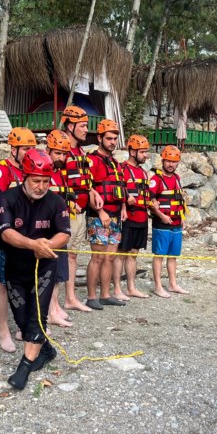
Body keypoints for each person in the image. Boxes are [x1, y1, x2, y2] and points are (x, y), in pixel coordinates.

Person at [0, 149, 71, 390]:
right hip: (16, 265)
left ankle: (24, 368)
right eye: (35, 181)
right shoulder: (7, 199)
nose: (40, 186)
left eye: (45, 181)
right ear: (24, 177)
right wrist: (31, 244)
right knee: (22, 318)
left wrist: (47, 245)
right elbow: (6, 233)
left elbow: (64, 233)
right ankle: (46, 349)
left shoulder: (56, 201)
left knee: (37, 317)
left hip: (45, 265)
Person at [0, 127, 36, 351]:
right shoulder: (1, 171)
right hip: (3, 236)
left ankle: (23, 325)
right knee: (2, 282)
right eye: (25, 149)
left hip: (27, 237)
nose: (29, 152)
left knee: (25, 281)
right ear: (13, 149)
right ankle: (3, 331)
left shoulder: (29, 171)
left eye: (31, 148)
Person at [59, 105, 102, 313]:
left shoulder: (80, 151)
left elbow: (85, 179)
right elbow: (56, 180)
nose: (86, 130)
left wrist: (92, 192)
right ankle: (58, 302)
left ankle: (70, 298)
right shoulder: (61, 148)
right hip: (68, 211)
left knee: (73, 255)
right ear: (69, 125)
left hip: (81, 211)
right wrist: (69, 203)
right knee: (61, 254)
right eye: (83, 126)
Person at [85, 119, 128, 309]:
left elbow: (121, 188)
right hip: (98, 216)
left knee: (111, 257)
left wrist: (124, 209)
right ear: (100, 138)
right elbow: (88, 189)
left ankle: (105, 294)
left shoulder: (115, 163)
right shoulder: (92, 160)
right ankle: (92, 296)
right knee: (98, 257)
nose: (112, 142)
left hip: (116, 215)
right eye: (108, 138)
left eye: (115, 138)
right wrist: (100, 211)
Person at [112, 134, 152, 300]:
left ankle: (131, 287)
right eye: (142, 152)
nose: (145, 155)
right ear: (132, 151)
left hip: (142, 217)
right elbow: (117, 190)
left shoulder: (143, 172)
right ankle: (116, 289)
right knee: (121, 253)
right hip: (128, 218)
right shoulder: (121, 169)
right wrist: (124, 203)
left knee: (134, 253)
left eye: (145, 152)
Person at [148, 145, 188, 298]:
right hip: (162, 224)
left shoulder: (177, 178)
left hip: (177, 223)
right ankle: (158, 286)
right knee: (159, 255)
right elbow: (149, 201)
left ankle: (172, 284)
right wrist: (161, 215)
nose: (171, 165)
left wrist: (183, 217)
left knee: (173, 255)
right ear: (163, 161)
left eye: (174, 162)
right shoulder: (156, 179)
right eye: (168, 161)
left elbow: (180, 199)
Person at [46, 129, 76, 327]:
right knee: (48, 273)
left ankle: (55, 307)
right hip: (47, 231)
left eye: (64, 153)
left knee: (58, 272)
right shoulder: (43, 172)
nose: (61, 157)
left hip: (60, 229)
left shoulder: (60, 174)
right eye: (57, 153)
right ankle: (49, 312)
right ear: (48, 150)